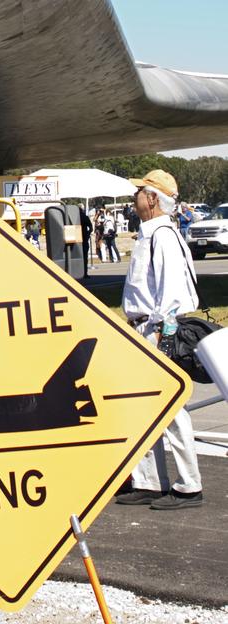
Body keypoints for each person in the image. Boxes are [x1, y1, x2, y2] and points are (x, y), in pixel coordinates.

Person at [116, 169, 203, 510]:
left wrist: (163, 337)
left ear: (152, 198)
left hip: (155, 331)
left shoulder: (161, 235)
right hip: (144, 329)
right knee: (145, 407)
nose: (134, 197)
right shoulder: (152, 233)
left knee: (170, 408)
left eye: (140, 192)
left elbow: (172, 293)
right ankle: (150, 481)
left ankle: (188, 485)